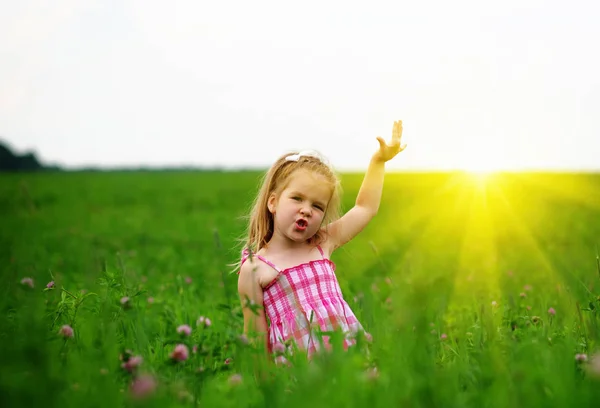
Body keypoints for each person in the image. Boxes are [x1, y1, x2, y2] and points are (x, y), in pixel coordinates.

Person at [236, 121, 406, 362]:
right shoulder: (255, 269)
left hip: (347, 365)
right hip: (298, 378)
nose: (306, 210)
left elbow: (365, 207)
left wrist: (378, 161)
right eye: (297, 199)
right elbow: (256, 342)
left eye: (317, 206)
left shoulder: (321, 243)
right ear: (272, 202)